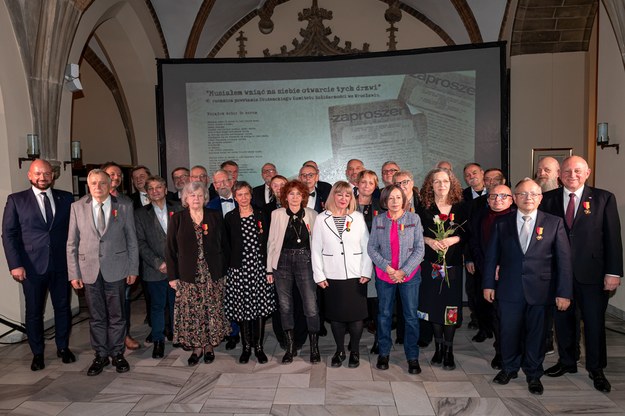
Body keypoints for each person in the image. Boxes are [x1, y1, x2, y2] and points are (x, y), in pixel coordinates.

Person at [541, 155, 623, 393]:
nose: (572, 176)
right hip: (559, 275)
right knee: (563, 322)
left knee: (594, 324)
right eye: (567, 172)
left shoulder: (603, 198)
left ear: (587, 173)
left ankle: (597, 369)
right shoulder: (547, 200)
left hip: (593, 275)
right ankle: (567, 361)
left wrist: (613, 272)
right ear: (559, 176)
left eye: (578, 171)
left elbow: (612, 238)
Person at [484, 178, 572, 395]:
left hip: (541, 291)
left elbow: (564, 261)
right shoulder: (502, 223)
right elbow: (491, 257)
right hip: (508, 289)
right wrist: (488, 284)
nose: (528, 198)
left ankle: (534, 373)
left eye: (533, 194)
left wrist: (564, 292)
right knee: (508, 332)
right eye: (522, 194)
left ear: (541, 198)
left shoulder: (554, 223)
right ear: (514, 198)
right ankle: (509, 368)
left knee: (537, 335)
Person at [1, 159, 75, 371]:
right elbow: (8, 234)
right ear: (30, 176)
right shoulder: (16, 200)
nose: (43, 177)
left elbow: (74, 231)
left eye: (47, 173)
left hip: (62, 265)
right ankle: (38, 353)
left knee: (63, 308)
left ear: (53, 175)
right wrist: (15, 264)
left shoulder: (66, 198)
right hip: (31, 267)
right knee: (34, 312)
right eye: (38, 174)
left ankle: (63, 347)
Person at [66, 169, 139, 376]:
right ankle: (100, 354)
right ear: (88, 186)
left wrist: (133, 269)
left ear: (110, 185)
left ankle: (117, 353)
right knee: (97, 317)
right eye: (94, 183)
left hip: (117, 269)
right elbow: (72, 243)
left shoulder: (124, 206)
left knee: (117, 315)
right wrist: (74, 273)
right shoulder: (77, 207)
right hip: (88, 271)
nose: (98, 187)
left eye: (102, 183)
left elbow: (132, 241)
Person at [166, 181, 229, 366]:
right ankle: (197, 348)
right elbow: (170, 249)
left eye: (200, 195)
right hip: (188, 275)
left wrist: (224, 271)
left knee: (211, 310)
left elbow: (225, 245)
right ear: (185, 198)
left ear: (205, 198)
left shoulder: (215, 216)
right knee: (193, 313)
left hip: (212, 273)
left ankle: (209, 346)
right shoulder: (177, 218)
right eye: (192, 195)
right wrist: (172, 276)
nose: (196, 199)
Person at [312, 181, 372, 368]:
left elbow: (366, 246)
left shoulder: (357, 217)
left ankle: (354, 350)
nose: (343, 199)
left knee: (356, 317)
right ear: (333, 196)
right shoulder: (322, 218)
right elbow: (315, 249)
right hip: (332, 275)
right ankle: (340, 350)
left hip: (355, 275)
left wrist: (366, 271)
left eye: (347, 195)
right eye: (339, 195)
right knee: (336, 318)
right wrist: (319, 275)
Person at [367, 185, 425, 374]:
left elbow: (420, 249)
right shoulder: (378, 220)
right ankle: (383, 352)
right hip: (385, 275)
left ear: (404, 200)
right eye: (390, 198)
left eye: (398, 197)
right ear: (384, 200)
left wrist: (404, 271)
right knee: (383, 315)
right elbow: (372, 248)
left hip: (409, 275)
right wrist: (388, 268)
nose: (394, 201)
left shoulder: (413, 219)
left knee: (410, 316)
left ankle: (412, 356)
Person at [417, 168, 468, 371]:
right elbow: (415, 233)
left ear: (451, 183)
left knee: (450, 308)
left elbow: (468, 232)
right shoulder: (423, 207)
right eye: (436, 182)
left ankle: (449, 351)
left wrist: (453, 239)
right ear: (431, 185)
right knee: (434, 307)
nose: (441, 185)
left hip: (453, 266)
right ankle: (438, 348)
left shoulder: (461, 206)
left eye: (445, 181)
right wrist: (428, 240)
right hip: (431, 266)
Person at [267, 180, 320, 364]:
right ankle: (290, 347)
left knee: (310, 305)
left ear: (304, 196)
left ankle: (314, 347)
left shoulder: (313, 214)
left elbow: (318, 244)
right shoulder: (277, 214)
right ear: (285, 196)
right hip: (282, 262)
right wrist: (268, 269)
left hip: (306, 261)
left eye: (299, 194)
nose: (295, 197)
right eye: (291, 194)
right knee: (285, 305)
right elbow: (272, 243)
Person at [224, 181, 276, 364]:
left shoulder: (262, 214)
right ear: (235, 197)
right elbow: (227, 246)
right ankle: (246, 348)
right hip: (239, 270)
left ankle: (259, 347)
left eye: (246, 194)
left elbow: (270, 241)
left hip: (259, 268)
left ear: (251, 195)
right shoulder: (230, 217)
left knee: (260, 309)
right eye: (240, 195)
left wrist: (269, 267)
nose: (244, 198)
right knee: (244, 309)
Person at [468, 184, 515, 370]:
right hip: (485, 273)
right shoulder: (480, 217)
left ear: (511, 199)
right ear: (488, 200)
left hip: (509, 276)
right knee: (493, 315)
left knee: (507, 317)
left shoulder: (517, 218)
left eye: (503, 196)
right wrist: (485, 267)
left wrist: (501, 266)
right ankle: (500, 352)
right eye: (494, 196)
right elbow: (475, 242)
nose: (498, 200)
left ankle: (507, 353)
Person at [135, 176, 182, 359]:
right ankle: (158, 340)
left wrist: (175, 263)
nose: (155, 191)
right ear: (147, 192)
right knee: (157, 306)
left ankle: (177, 336)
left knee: (176, 304)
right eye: (151, 188)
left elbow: (185, 238)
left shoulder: (178, 208)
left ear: (165, 188)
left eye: (159, 187)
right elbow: (140, 242)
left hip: (177, 268)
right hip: (154, 269)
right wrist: (158, 262)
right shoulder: (140, 214)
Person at [102, 161, 140, 350]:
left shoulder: (126, 203)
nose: (115, 178)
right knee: (101, 306)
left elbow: (131, 237)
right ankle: (105, 340)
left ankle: (124, 335)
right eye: (111, 174)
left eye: (118, 175)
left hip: (120, 264)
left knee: (122, 303)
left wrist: (132, 266)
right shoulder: (87, 201)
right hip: (97, 264)